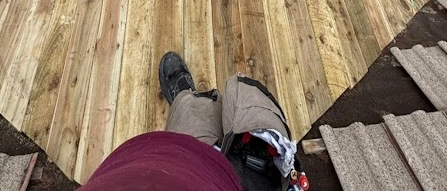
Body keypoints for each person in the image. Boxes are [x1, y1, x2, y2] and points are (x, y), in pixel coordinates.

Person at [80, 53, 306, 191]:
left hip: (177, 169)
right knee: (252, 115)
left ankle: (186, 98)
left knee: (190, 120)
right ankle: (197, 102)